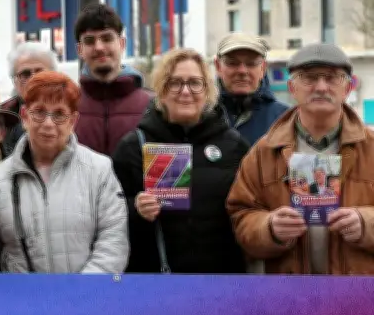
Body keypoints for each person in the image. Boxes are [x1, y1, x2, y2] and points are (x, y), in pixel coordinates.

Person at [227, 43, 374, 275]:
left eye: (332, 77)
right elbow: (241, 216)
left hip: (359, 294)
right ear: (291, 88)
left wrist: (366, 223)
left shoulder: (372, 148)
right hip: (289, 297)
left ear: (348, 87)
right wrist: (270, 228)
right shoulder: (263, 152)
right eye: (309, 78)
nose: (321, 87)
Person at [0, 71, 128, 273]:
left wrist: (81, 295)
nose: (48, 123)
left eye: (59, 114)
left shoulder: (99, 170)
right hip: (21, 301)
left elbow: (113, 243)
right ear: (25, 116)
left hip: (86, 299)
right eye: (39, 112)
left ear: (73, 121)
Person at [112, 49, 249, 274]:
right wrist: (135, 208)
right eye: (175, 83)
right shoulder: (134, 146)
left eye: (195, 83)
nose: (185, 91)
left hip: (220, 282)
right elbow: (107, 212)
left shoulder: (233, 145)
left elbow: (250, 208)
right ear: (161, 91)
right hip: (156, 283)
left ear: (207, 91)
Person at [74, 3, 152, 157]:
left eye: (107, 38)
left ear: (122, 44)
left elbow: (171, 178)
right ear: (80, 50)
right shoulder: (65, 107)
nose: (99, 47)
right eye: (90, 41)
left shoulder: (154, 107)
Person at [214, 33, 288, 145]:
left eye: (251, 63)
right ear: (218, 66)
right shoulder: (199, 117)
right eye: (233, 63)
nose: (242, 71)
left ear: (263, 68)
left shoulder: (286, 119)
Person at [0, 41, 58, 156]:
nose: (34, 79)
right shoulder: (1, 116)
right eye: (25, 74)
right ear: (14, 81)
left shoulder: (74, 110)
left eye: (40, 72)